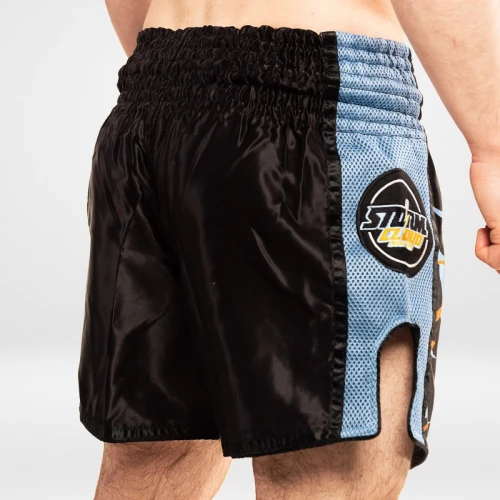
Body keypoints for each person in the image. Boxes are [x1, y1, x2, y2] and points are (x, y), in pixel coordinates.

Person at [78, 0, 500, 498]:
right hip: (318, 108)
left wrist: (187, 93)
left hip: (151, 103)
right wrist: (493, 151)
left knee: (154, 462)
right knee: (329, 472)